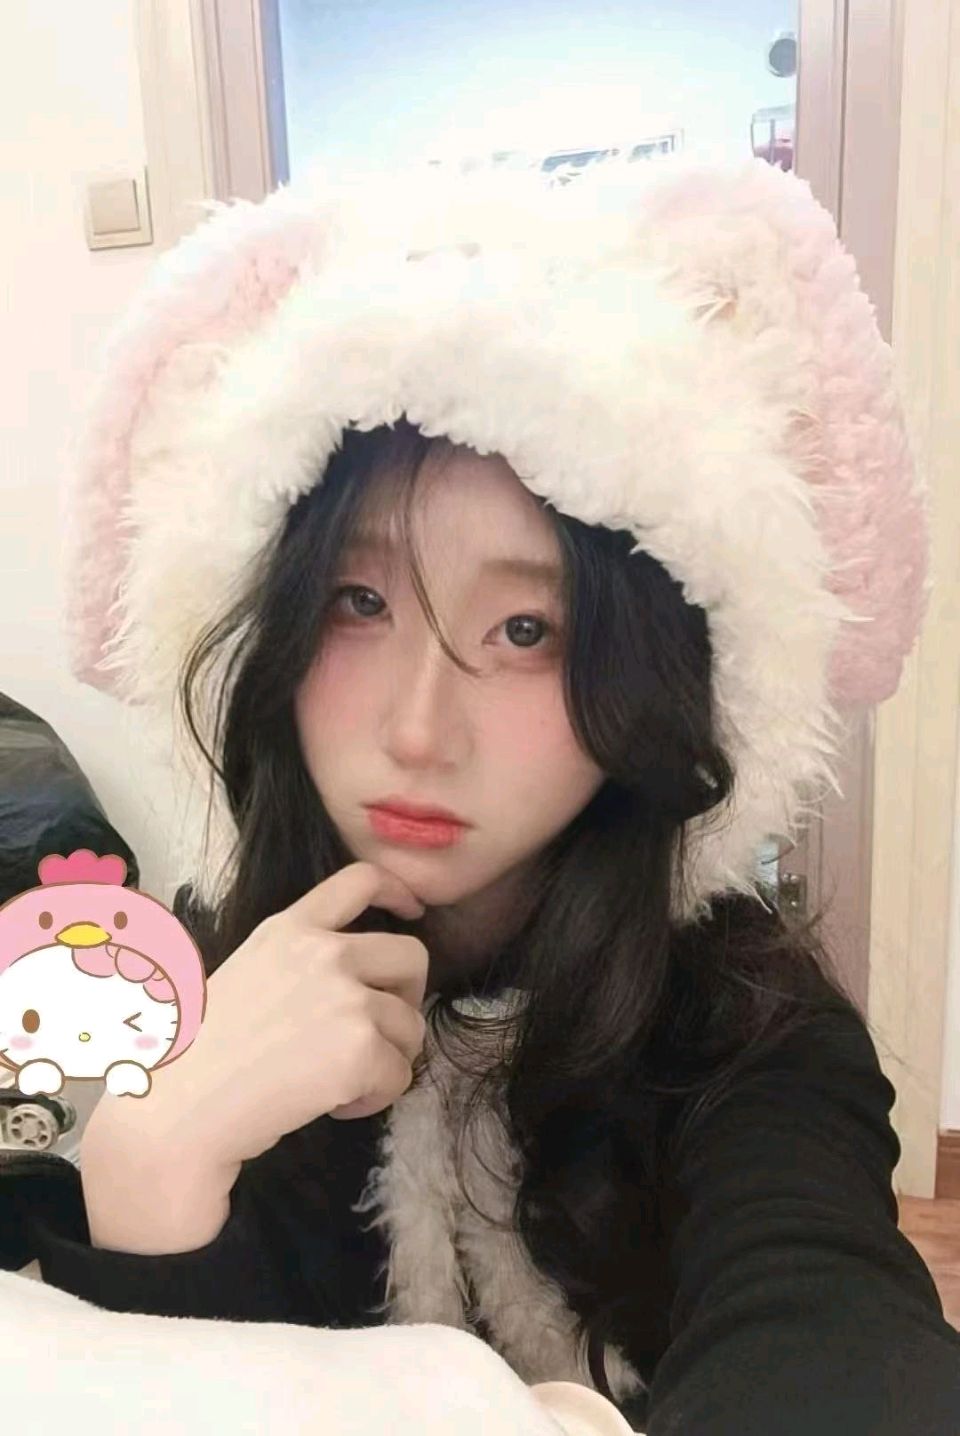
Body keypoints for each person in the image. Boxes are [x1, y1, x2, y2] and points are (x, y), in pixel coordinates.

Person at [3, 154, 958, 1436]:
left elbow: (831, 1325)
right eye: (359, 601)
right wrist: (145, 1168)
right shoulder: (186, 993)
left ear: (646, 674)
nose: (417, 729)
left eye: (525, 629)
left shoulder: (747, 1031)